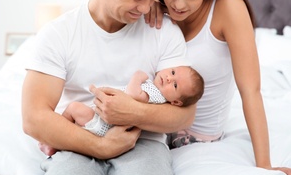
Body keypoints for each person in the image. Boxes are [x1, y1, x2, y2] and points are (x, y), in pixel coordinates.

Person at [21, 0, 195, 175]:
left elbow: (183, 115)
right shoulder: (59, 33)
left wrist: (133, 111)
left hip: (144, 143)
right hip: (76, 138)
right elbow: (33, 117)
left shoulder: (164, 32)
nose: (147, 8)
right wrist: (101, 146)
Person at [142, 0, 291, 175]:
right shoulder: (155, 6)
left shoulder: (228, 9)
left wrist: (264, 165)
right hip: (152, 123)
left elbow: (250, 90)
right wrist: (150, 1)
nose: (178, 3)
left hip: (195, 139)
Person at [39, 66, 204, 156]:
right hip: (105, 123)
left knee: (73, 108)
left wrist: (137, 77)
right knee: (75, 115)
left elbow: (133, 94)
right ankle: (57, 142)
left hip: (104, 126)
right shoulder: (156, 91)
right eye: (172, 72)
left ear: (175, 101)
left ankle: (52, 142)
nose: (169, 78)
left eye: (174, 85)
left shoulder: (156, 95)